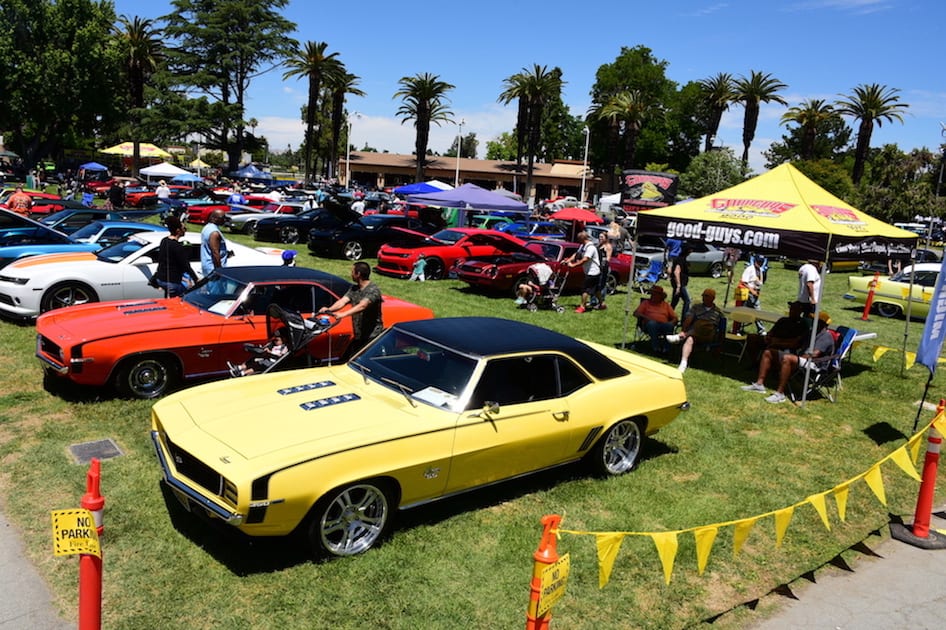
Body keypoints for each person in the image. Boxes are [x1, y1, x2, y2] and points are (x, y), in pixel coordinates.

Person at [740, 310, 835, 403]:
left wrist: (795, 358)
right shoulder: (811, 332)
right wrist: (778, 343)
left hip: (814, 365)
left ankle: (780, 394)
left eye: (815, 320)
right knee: (768, 352)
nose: (812, 321)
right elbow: (796, 343)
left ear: (822, 323)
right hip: (800, 358)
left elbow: (814, 354)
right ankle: (759, 384)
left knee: (787, 358)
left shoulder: (826, 336)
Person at [319, 261, 383, 358]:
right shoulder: (354, 288)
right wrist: (329, 309)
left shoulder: (373, 290)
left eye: (352, 272)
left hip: (371, 335)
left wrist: (343, 315)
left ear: (358, 274)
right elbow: (343, 301)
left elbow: (362, 306)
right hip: (358, 334)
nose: (351, 274)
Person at [667, 287, 723, 373]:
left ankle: (680, 337)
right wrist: (683, 330)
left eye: (707, 296)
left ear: (713, 298)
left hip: (708, 334)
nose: (704, 298)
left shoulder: (717, 312)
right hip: (694, 332)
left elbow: (717, 327)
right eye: (703, 296)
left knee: (702, 323)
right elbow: (688, 319)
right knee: (690, 339)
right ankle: (683, 363)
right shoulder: (696, 307)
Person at [151, 216, 193, 297]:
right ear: (178, 230)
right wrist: (195, 278)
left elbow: (161, 259)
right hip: (172, 281)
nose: (185, 230)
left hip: (161, 278)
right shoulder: (177, 246)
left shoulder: (164, 241)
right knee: (183, 298)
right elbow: (185, 265)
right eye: (184, 228)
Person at [633, 285, 678, 354]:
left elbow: (675, 317)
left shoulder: (665, 305)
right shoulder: (646, 303)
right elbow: (636, 313)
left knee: (669, 326)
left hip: (664, 325)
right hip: (649, 325)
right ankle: (656, 347)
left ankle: (666, 349)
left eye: (655, 294)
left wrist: (672, 322)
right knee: (652, 324)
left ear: (660, 296)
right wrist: (645, 317)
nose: (653, 296)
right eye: (652, 294)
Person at [565, 231, 601, 313]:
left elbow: (585, 259)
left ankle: (582, 307)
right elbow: (576, 254)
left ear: (583, 238)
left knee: (585, 289)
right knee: (596, 289)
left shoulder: (591, 248)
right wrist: (568, 260)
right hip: (588, 271)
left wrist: (573, 265)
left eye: (579, 239)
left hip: (593, 272)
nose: (578, 240)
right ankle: (602, 304)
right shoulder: (583, 246)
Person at [738, 255, 766, 334]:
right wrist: (752, 291)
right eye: (759, 262)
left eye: (762, 262)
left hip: (755, 293)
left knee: (750, 311)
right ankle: (761, 330)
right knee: (755, 311)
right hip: (749, 293)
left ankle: (740, 329)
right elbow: (744, 282)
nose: (760, 263)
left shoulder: (760, 270)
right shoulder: (749, 269)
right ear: (755, 261)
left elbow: (759, 282)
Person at [200, 209, 229, 276]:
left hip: (208, 267)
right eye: (222, 218)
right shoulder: (214, 233)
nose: (224, 220)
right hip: (213, 268)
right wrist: (219, 271)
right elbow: (215, 253)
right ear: (214, 218)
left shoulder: (207, 227)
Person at [669, 244, 692, 318]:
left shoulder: (680, 258)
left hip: (678, 283)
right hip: (680, 284)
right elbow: (676, 272)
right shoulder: (681, 259)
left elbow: (669, 270)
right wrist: (678, 285)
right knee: (687, 301)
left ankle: (668, 315)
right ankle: (684, 319)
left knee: (674, 301)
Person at [595, 232, 612, 310]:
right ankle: (594, 301)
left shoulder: (608, 246)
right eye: (599, 237)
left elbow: (608, 258)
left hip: (603, 267)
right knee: (596, 284)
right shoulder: (599, 245)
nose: (600, 238)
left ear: (606, 238)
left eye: (602, 237)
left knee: (602, 284)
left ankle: (601, 302)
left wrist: (603, 265)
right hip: (597, 267)